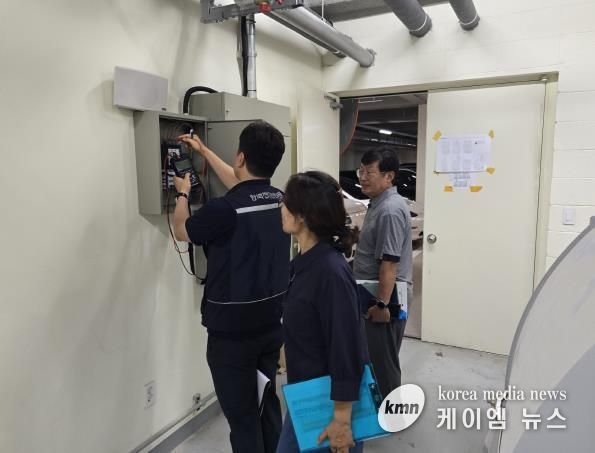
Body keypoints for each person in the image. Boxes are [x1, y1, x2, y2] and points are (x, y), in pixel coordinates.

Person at [173, 121, 290, 453]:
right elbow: (242, 188)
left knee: (242, 420)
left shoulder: (223, 210)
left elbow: (182, 230)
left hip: (231, 336)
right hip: (270, 326)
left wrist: (182, 192)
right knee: (266, 404)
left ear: (240, 157)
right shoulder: (280, 199)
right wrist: (204, 151)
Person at [278, 171, 368, 453]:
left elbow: (346, 346)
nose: (281, 207)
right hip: (306, 395)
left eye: (286, 202)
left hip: (329, 406)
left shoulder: (330, 272)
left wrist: (341, 419)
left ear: (302, 215)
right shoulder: (304, 263)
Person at [352, 148, 413, 398]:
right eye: (361, 171)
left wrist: (382, 305)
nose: (363, 177)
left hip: (386, 298)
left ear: (389, 176)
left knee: (383, 364)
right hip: (373, 292)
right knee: (375, 359)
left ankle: (392, 412)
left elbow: (389, 263)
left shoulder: (389, 210)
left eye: (370, 172)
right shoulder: (378, 204)